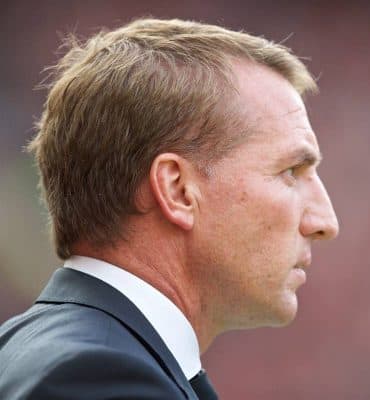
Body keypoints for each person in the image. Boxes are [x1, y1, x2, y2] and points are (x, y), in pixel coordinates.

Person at [0, 18, 338, 399]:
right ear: (177, 190)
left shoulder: (34, 351)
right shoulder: (102, 379)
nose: (325, 222)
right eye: (290, 171)